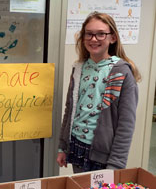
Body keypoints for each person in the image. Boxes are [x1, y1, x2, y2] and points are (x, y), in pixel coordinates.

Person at [57, 12, 140, 173]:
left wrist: (116, 165)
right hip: (77, 146)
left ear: (113, 38)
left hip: (103, 156)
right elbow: (70, 110)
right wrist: (63, 146)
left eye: (101, 34)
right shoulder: (78, 68)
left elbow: (126, 124)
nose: (93, 39)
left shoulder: (122, 72)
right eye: (89, 34)